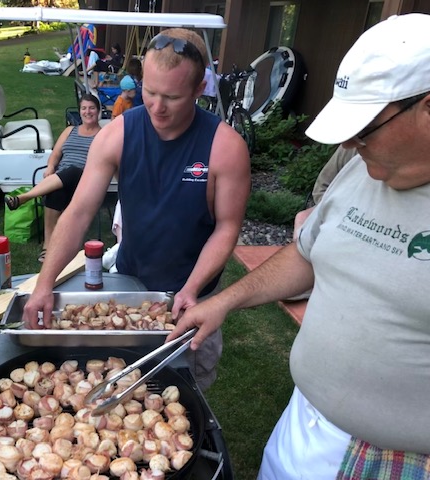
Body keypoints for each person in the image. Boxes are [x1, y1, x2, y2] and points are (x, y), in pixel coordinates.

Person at [170, 13, 430, 479]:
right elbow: (310, 252)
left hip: (396, 461)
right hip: (303, 423)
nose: (350, 143)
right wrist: (224, 302)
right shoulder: (360, 167)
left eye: (365, 128)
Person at [23, 28, 250, 391]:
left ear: (198, 89)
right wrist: (44, 284)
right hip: (130, 284)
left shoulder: (225, 147)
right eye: (150, 91)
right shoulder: (118, 134)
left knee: (184, 391)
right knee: (120, 385)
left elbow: (226, 227)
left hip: (194, 298)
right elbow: (80, 211)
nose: (157, 107)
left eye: (172, 97)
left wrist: (190, 291)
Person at [4, 94, 102, 262]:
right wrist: (50, 167)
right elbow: (56, 155)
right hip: (61, 180)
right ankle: (48, 247)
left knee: (72, 171)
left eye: (92, 108)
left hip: (85, 180)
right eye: (84, 108)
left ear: (98, 111)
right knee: (55, 192)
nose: (88, 112)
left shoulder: (103, 135)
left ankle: (25, 197)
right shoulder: (70, 131)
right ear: (79, 111)